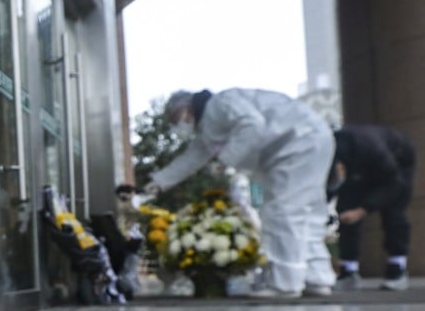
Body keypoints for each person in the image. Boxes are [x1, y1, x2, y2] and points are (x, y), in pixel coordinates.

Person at [145, 88, 336, 297]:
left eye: (176, 118)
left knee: (283, 212)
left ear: (186, 108)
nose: (178, 125)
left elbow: (252, 125)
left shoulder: (220, 104)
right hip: (310, 138)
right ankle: (316, 277)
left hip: (294, 142)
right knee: (306, 212)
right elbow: (191, 159)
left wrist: (224, 160)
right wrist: (158, 182)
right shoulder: (207, 128)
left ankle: (285, 284)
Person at [327, 124, 416, 291]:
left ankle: (397, 267)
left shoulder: (371, 149)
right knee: (346, 209)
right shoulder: (328, 150)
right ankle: (349, 269)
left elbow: (394, 184)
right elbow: (328, 187)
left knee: (393, 211)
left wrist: (362, 210)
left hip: (397, 163)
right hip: (356, 164)